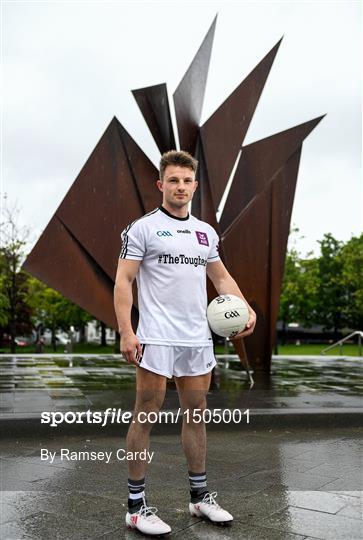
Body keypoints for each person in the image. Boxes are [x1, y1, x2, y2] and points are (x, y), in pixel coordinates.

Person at [114, 150, 256, 536]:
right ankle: (135, 506)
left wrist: (245, 307)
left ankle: (199, 498)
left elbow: (222, 278)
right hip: (156, 337)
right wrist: (127, 331)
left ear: (195, 185)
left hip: (196, 338)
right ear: (161, 185)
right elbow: (124, 281)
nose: (180, 186)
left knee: (196, 413)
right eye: (172, 180)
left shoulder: (205, 232)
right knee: (146, 413)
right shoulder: (141, 229)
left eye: (186, 180)